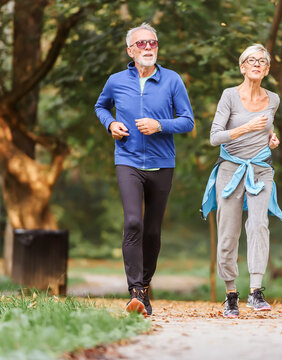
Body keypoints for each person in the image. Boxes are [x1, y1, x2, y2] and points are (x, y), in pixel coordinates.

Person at [95, 23, 194, 316]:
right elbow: (100, 107)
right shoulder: (115, 81)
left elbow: (188, 121)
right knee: (134, 222)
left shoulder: (172, 80)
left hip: (163, 163)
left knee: (151, 229)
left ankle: (145, 288)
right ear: (130, 50)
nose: (148, 47)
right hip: (127, 160)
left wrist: (160, 125)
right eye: (141, 44)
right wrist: (110, 124)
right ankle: (135, 291)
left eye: (153, 43)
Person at [201, 44, 282, 318]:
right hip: (230, 170)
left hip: (261, 170)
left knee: (259, 225)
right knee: (228, 233)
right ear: (242, 66)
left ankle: (256, 290)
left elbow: (270, 126)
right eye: (251, 60)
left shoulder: (273, 99)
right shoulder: (229, 96)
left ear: (268, 69)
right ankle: (231, 294)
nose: (257, 64)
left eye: (262, 61)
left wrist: (272, 138)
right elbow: (215, 137)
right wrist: (246, 128)